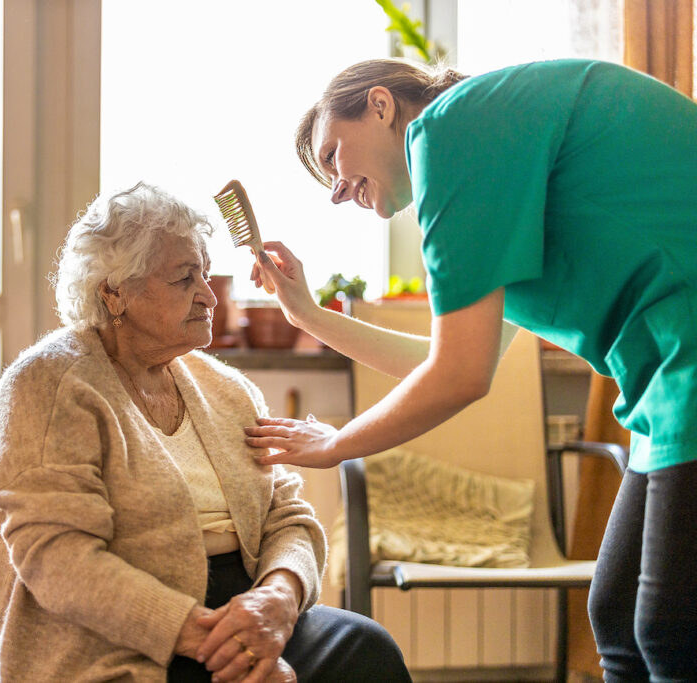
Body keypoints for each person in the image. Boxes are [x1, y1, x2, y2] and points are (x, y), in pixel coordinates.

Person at [243, 57, 697, 680]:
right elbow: (447, 358)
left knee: (670, 633)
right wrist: (309, 316)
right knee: (618, 620)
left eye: (332, 157)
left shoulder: (453, 130)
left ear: (380, 106)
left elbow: (459, 376)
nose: (335, 188)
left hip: (688, 361)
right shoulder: (491, 160)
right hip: (666, 384)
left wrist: (336, 444)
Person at [0, 181, 411, 682]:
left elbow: (288, 518)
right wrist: (216, 642)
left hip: (245, 612)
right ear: (114, 293)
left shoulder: (225, 390)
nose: (208, 296)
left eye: (206, 275)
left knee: (365, 648)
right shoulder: (50, 384)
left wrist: (277, 602)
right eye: (183, 279)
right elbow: (59, 561)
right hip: (106, 635)